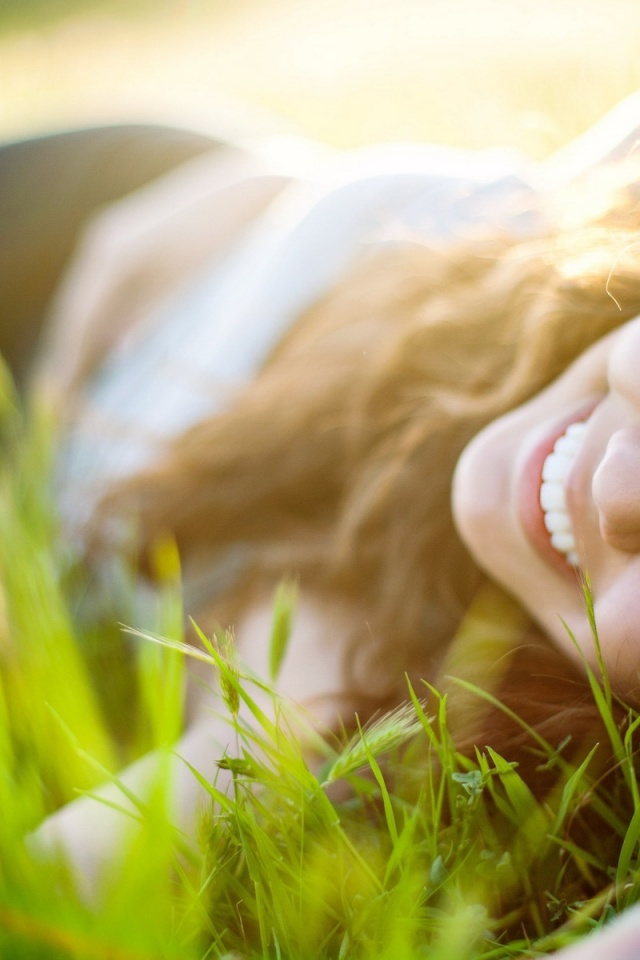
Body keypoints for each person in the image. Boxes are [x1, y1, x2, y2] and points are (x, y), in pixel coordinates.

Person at [5, 93, 640, 956]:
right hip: (121, 227)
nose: (622, 488)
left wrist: (249, 738)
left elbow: (46, 901)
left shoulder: (363, 706)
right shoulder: (572, 252)